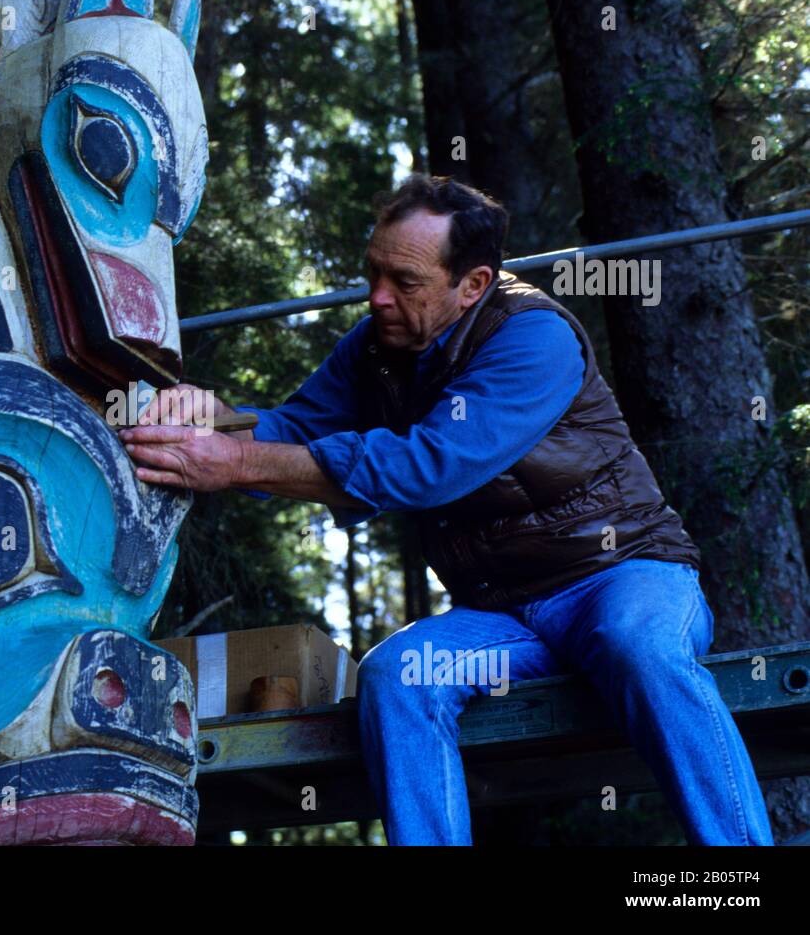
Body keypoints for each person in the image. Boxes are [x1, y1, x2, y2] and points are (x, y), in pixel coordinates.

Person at [120, 173, 773, 845]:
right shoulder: (374, 345)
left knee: (639, 646)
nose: (377, 298)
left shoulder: (535, 339)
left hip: (624, 574)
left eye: (404, 281)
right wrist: (210, 420)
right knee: (397, 675)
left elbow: (426, 466)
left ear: (473, 283)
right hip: (503, 613)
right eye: (373, 272)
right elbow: (291, 429)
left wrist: (231, 462)